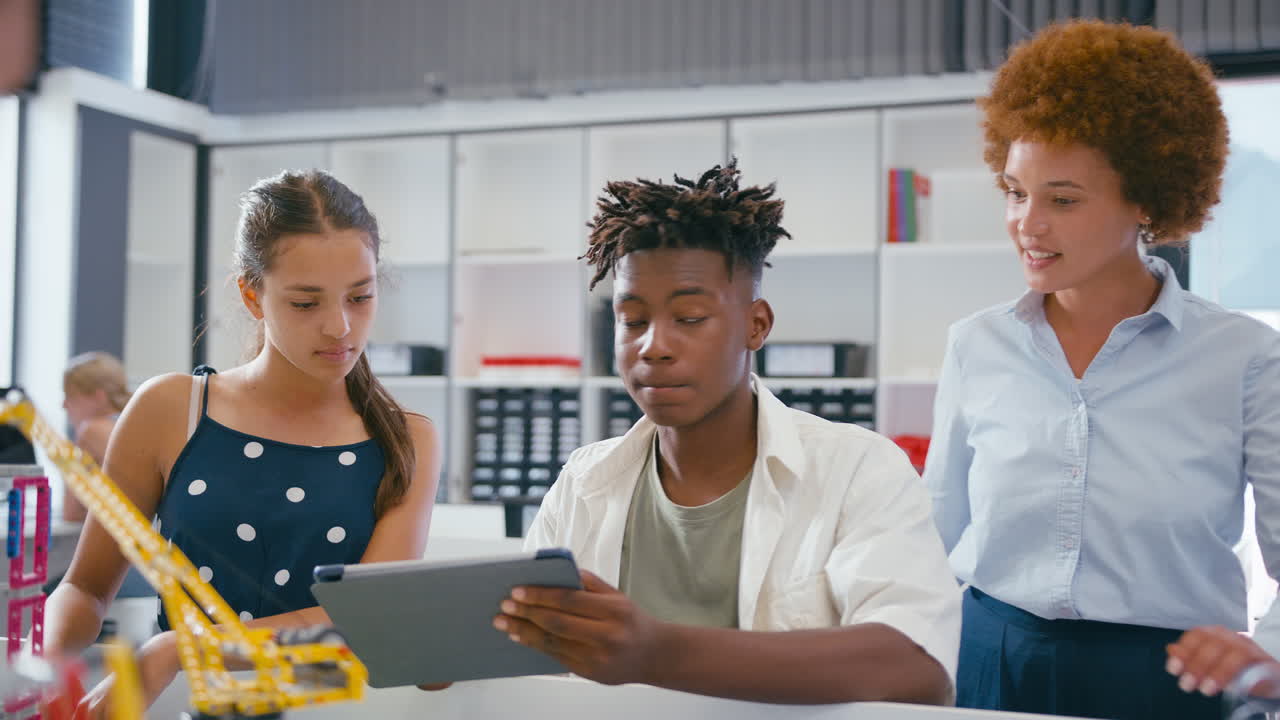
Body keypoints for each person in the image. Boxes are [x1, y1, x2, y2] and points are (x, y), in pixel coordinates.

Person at [923, 19, 1280, 720]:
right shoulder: (976, 346)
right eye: (1014, 192)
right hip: (992, 660)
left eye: (1062, 199)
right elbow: (934, 533)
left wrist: (1270, 657)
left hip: (1168, 680)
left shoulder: (1244, 358)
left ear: (1146, 198)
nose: (1028, 223)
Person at [503, 160, 960, 704]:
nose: (654, 346)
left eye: (690, 317)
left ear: (756, 325)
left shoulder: (858, 468)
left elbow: (916, 666)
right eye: (633, 321)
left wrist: (657, 652)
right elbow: (518, 659)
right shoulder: (584, 480)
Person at [43, 170, 441, 718]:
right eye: (306, 303)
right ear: (252, 295)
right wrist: (44, 666)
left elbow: (359, 625)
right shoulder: (171, 409)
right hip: (183, 703)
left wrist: (177, 650)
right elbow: (86, 589)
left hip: (328, 706)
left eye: (361, 297)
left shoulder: (405, 438)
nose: (339, 327)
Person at [61, 351, 131, 522]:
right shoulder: (135, 425)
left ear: (99, 396)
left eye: (71, 397)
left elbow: (71, 512)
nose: (63, 405)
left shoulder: (92, 430)